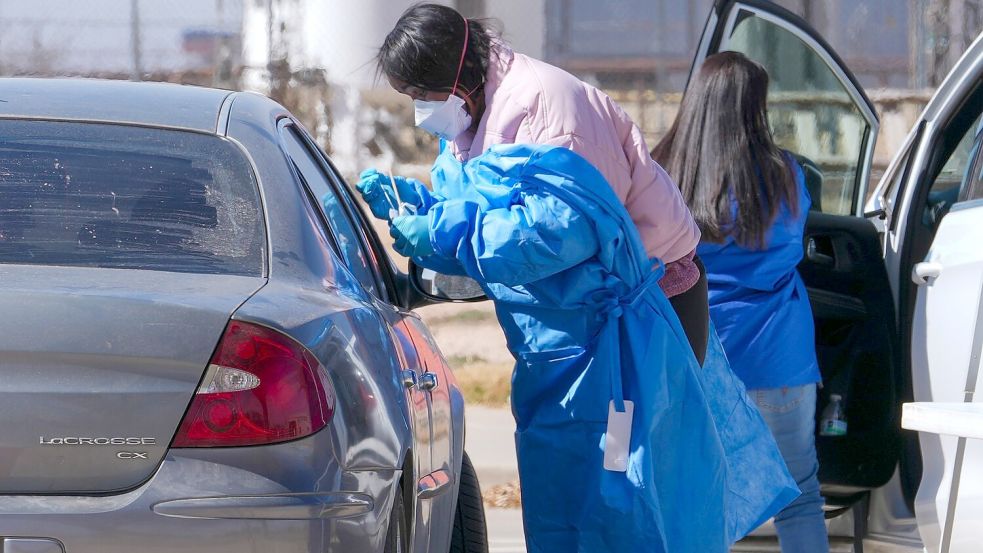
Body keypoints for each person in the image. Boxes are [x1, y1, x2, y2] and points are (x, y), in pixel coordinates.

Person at [358, 139, 797, 551]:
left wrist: (438, 227)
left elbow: (530, 243)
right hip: (653, 332)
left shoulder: (560, 165)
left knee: (621, 480)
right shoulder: (779, 176)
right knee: (644, 475)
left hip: (615, 352)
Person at [358, 2, 709, 364]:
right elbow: (482, 213)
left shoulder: (545, 107)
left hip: (643, 294)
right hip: (576, 301)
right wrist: (421, 207)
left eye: (419, 96)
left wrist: (444, 230)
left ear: (453, 80)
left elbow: (562, 233)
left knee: (632, 420)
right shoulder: (466, 116)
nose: (419, 111)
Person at [652, 51, 829, 552]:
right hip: (779, 357)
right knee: (799, 498)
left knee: (694, 498)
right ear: (756, 107)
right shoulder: (784, 175)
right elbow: (792, 246)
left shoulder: (663, 174)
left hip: (694, 355)